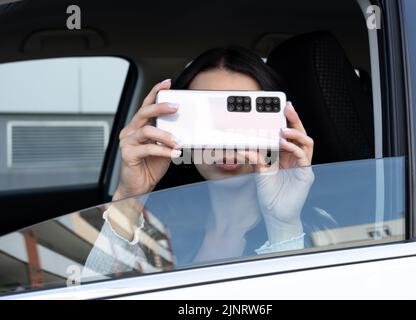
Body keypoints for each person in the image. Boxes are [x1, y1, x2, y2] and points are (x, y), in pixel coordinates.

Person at [82, 46, 315, 278]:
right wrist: (128, 199)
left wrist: (283, 225)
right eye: (207, 121)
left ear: (278, 126)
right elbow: (101, 291)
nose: (227, 142)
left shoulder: (326, 229)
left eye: (243, 117)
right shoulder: (154, 227)